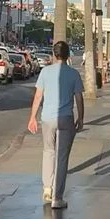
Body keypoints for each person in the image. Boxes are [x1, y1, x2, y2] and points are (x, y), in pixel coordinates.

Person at [27, 40, 84, 209]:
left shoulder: (45, 72)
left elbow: (38, 96)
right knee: (62, 157)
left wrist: (32, 117)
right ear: (68, 55)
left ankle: (47, 187)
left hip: (47, 118)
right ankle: (57, 198)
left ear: (54, 54)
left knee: (48, 151)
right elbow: (79, 98)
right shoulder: (74, 74)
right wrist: (81, 118)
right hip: (66, 118)